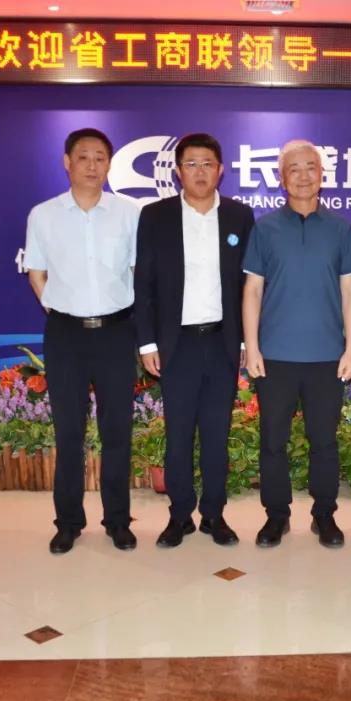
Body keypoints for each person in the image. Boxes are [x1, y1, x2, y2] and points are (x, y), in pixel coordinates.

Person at [134, 132, 255, 548]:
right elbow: (144, 284)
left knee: (217, 435)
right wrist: (147, 343)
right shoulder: (156, 216)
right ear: (177, 171)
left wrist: (245, 342)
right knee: (179, 434)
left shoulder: (240, 216)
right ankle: (180, 515)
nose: (200, 172)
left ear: (220, 171)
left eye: (207, 164)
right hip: (177, 345)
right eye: (191, 164)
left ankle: (214, 515)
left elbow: (248, 285)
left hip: (222, 343)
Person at [24, 127, 141, 554]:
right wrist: (58, 308)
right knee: (69, 432)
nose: (92, 166)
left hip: (116, 332)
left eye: (100, 158)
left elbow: (138, 273)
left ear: (109, 164)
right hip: (66, 335)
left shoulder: (129, 213)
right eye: (84, 157)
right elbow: (36, 272)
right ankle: (68, 522)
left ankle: (118, 521)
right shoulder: (44, 215)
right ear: (67, 162)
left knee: (117, 431)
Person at [242, 139, 351, 549]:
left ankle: (324, 515)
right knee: (272, 442)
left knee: (324, 441)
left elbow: (350, 291)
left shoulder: (340, 229)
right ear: (282, 178)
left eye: (311, 167)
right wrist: (252, 347)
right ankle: (276, 516)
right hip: (274, 356)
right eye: (294, 169)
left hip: (327, 356)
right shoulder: (265, 228)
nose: (304, 175)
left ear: (322, 175)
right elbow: (252, 290)